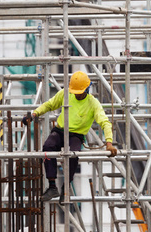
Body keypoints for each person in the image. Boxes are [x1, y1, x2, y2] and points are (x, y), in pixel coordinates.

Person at [24, 71, 118, 202]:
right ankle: (52, 187)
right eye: (75, 92)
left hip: (76, 135)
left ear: (87, 89)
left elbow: (105, 122)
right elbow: (49, 104)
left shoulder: (93, 103)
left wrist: (109, 143)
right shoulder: (65, 93)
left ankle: (66, 188)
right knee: (47, 147)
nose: (77, 95)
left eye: (79, 92)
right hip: (60, 131)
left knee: (73, 155)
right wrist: (34, 114)